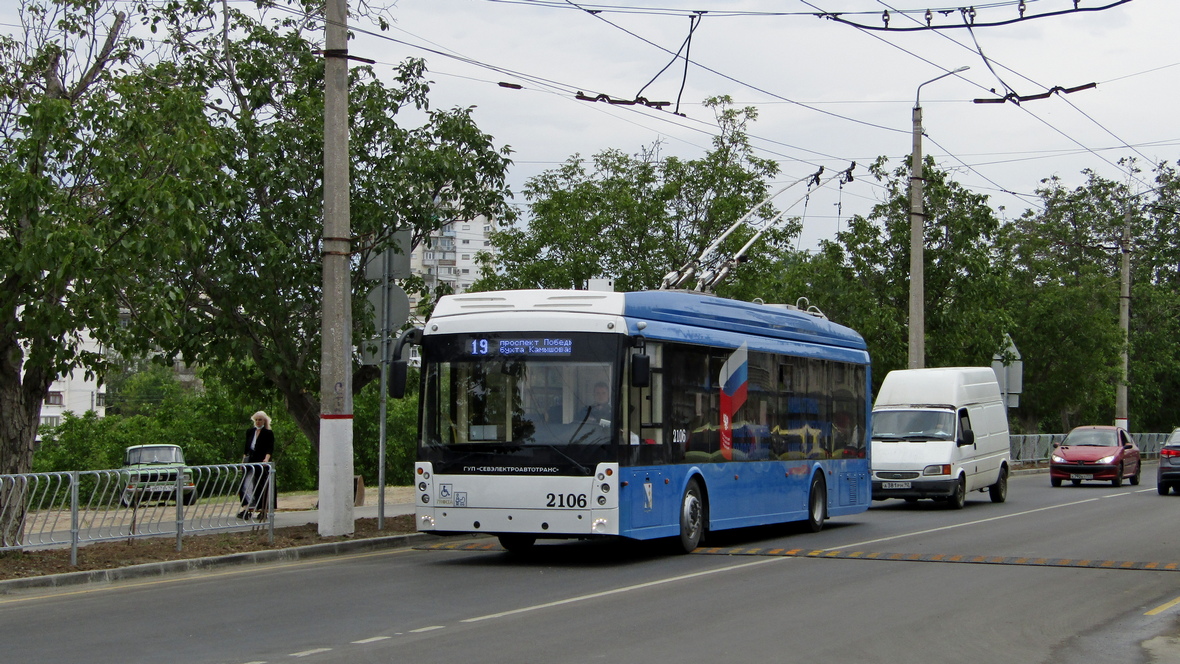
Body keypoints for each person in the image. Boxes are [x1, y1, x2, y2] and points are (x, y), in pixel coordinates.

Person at [239, 411, 275, 520]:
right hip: (250, 460)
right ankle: (247, 508)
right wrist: (243, 462)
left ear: (264, 421)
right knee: (245, 484)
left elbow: (270, 448)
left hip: (262, 461)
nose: (258, 422)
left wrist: (266, 459)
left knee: (261, 485)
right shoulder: (250, 432)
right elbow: (246, 449)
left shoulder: (268, 433)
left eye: (260, 420)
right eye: (256, 420)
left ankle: (263, 509)